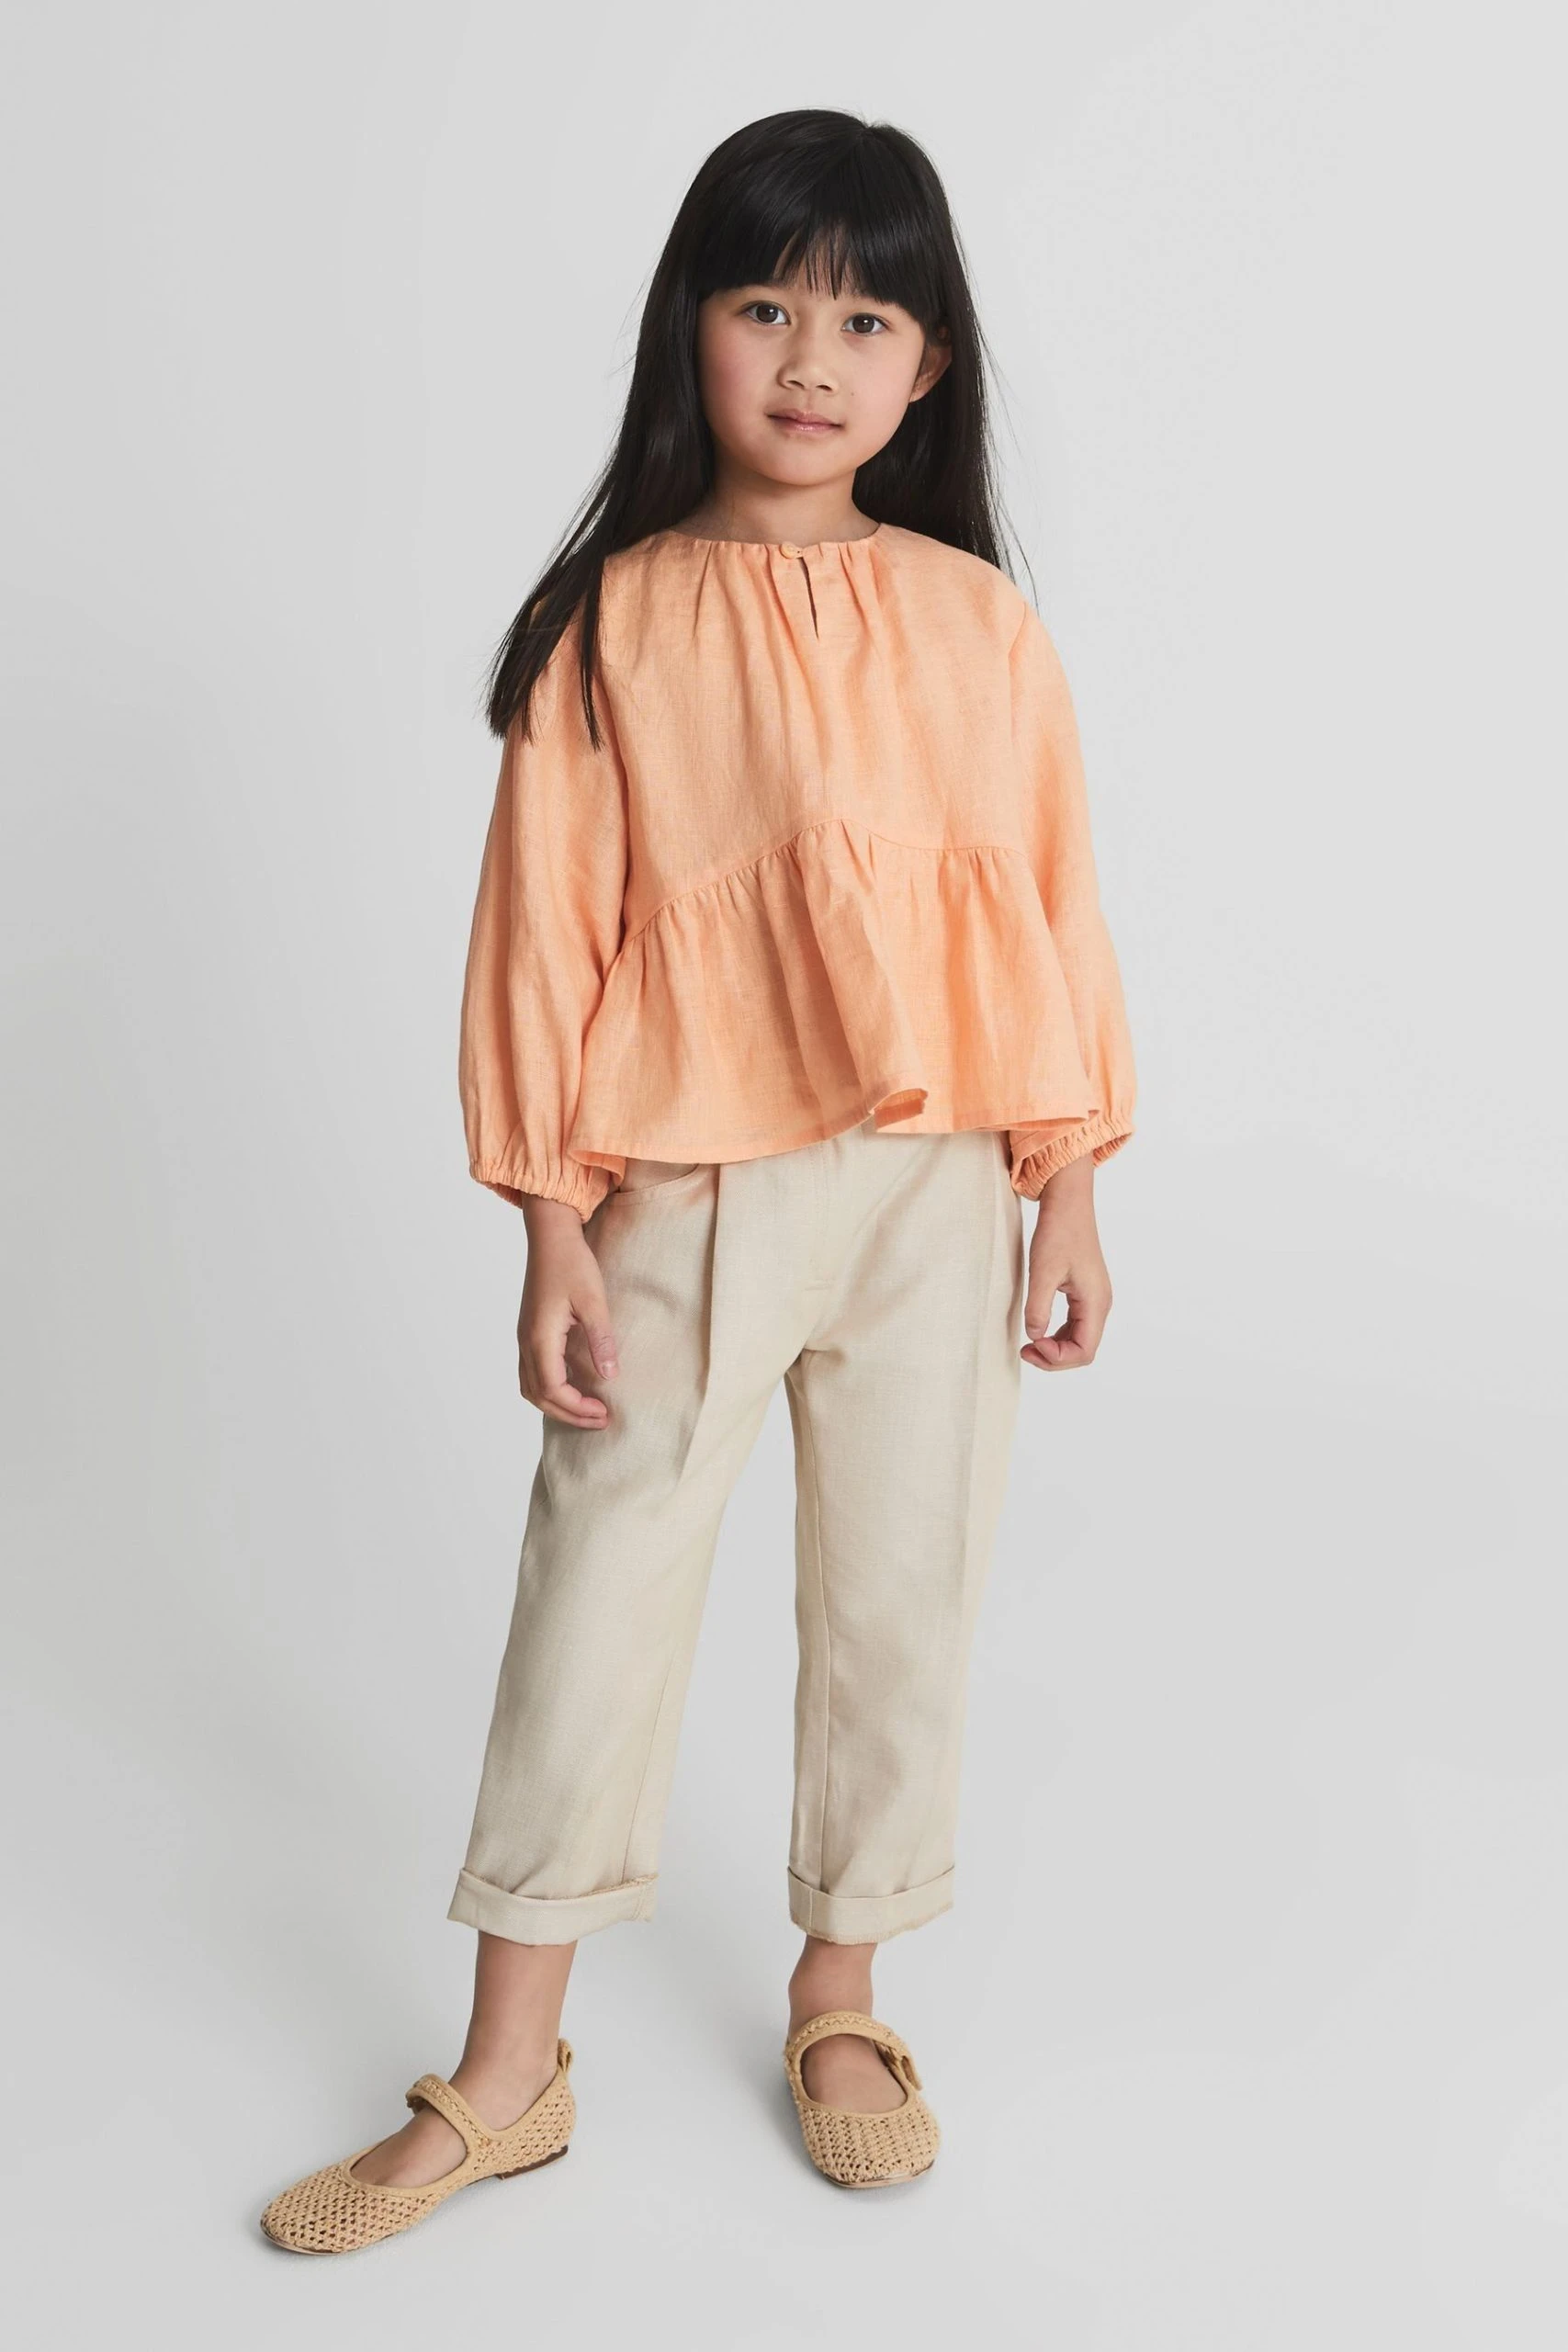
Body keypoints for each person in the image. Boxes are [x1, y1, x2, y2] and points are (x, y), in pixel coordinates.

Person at [260, 105, 1136, 2254]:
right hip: (689, 1177)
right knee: (599, 1588)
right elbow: (540, 938)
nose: (811, 358)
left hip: (939, 1174)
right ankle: (507, 2065)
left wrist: (1067, 1180)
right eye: (764, 305)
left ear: (929, 365)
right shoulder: (611, 624)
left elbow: (1048, 907)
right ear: (692, 329)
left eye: (865, 318)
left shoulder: (979, 625)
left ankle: (843, 1990)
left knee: (899, 1588)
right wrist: (552, 1219)